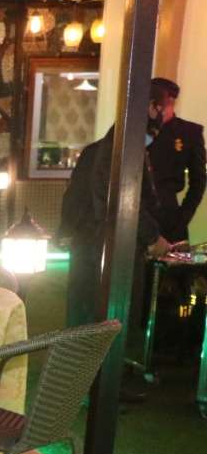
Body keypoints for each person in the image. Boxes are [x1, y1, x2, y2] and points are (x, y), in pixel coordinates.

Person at [60, 101, 172, 400]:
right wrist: (152, 236)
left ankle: (81, 384)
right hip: (108, 247)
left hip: (88, 244)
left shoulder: (99, 148)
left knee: (85, 314)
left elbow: (73, 199)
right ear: (151, 109)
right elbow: (124, 201)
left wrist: (66, 232)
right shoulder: (119, 153)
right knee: (107, 315)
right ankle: (99, 389)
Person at [146, 77, 206, 244]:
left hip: (170, 216)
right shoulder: (140, 129)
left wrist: (183, 217)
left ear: (170, 103)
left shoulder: (190, 132)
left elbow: (199, 181)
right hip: (137, 214)